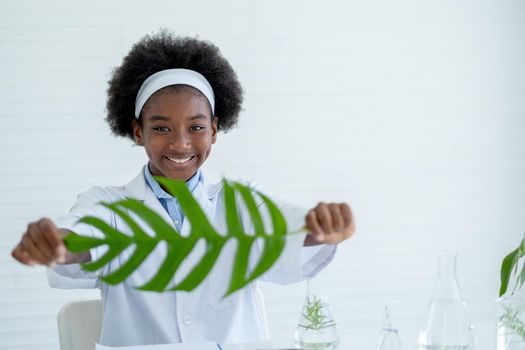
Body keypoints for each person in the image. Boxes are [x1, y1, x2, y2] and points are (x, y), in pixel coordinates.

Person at [11, 29, 356, 346]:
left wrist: (322, 227)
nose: (180, 144)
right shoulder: (109, 204)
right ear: (137, 131)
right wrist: (57, 243)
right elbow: (86, 235)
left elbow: (288, 231)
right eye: (161, 129)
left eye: (196, 127)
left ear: (215, 131)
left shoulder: (241, 202)